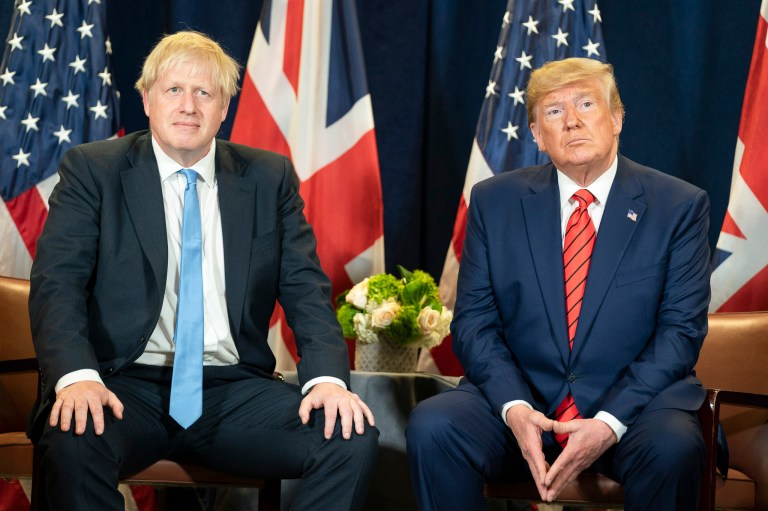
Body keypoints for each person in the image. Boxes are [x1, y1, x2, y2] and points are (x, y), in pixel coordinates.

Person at [28, 31, 378, 510]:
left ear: (223, 108)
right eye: (173, 90)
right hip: (124, 383)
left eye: (204, 93)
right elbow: (58, 285)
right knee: (74, 437)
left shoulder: (267, 178)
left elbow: (305, 291)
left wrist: (328, 383)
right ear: (147, 99)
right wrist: (77, 376)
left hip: (233, 391)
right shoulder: (94, 171)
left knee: (349, 436)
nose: (188, 106)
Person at [406, 57, 712, 510]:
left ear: (617, 118)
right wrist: (514, 407)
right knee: (435, 425)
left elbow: (680, 333)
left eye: (586, 103)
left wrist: (608, 421)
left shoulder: (678, 205)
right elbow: (474, 323)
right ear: (535, 133)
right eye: (553, 112)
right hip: (523, 404)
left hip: (633, 412)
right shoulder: (495, 201)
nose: (571, 121)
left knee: (673, 447)